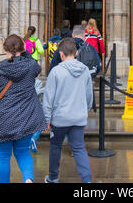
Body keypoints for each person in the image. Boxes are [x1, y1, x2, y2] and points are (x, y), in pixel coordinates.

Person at [0, 35, 47, 183]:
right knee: (22, 152)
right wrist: (23, 50)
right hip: (26, 117)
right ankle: (28, 180)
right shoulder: (31, 67)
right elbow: (34, 63)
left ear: (5, 49)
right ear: (23, 48)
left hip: (3, 120)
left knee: (3, 156)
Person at [43, 38, 93, 183]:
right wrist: (85, 110)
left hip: (60, 118)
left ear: (61, 54)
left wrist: (46, 118)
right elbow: (89, 95)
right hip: (78, 117)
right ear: (76, 53)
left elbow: (48, 98)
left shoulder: (56, 71)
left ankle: (53, 177)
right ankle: (87, 180)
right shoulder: (85, 70)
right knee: (79, 149)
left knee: (56, 147)